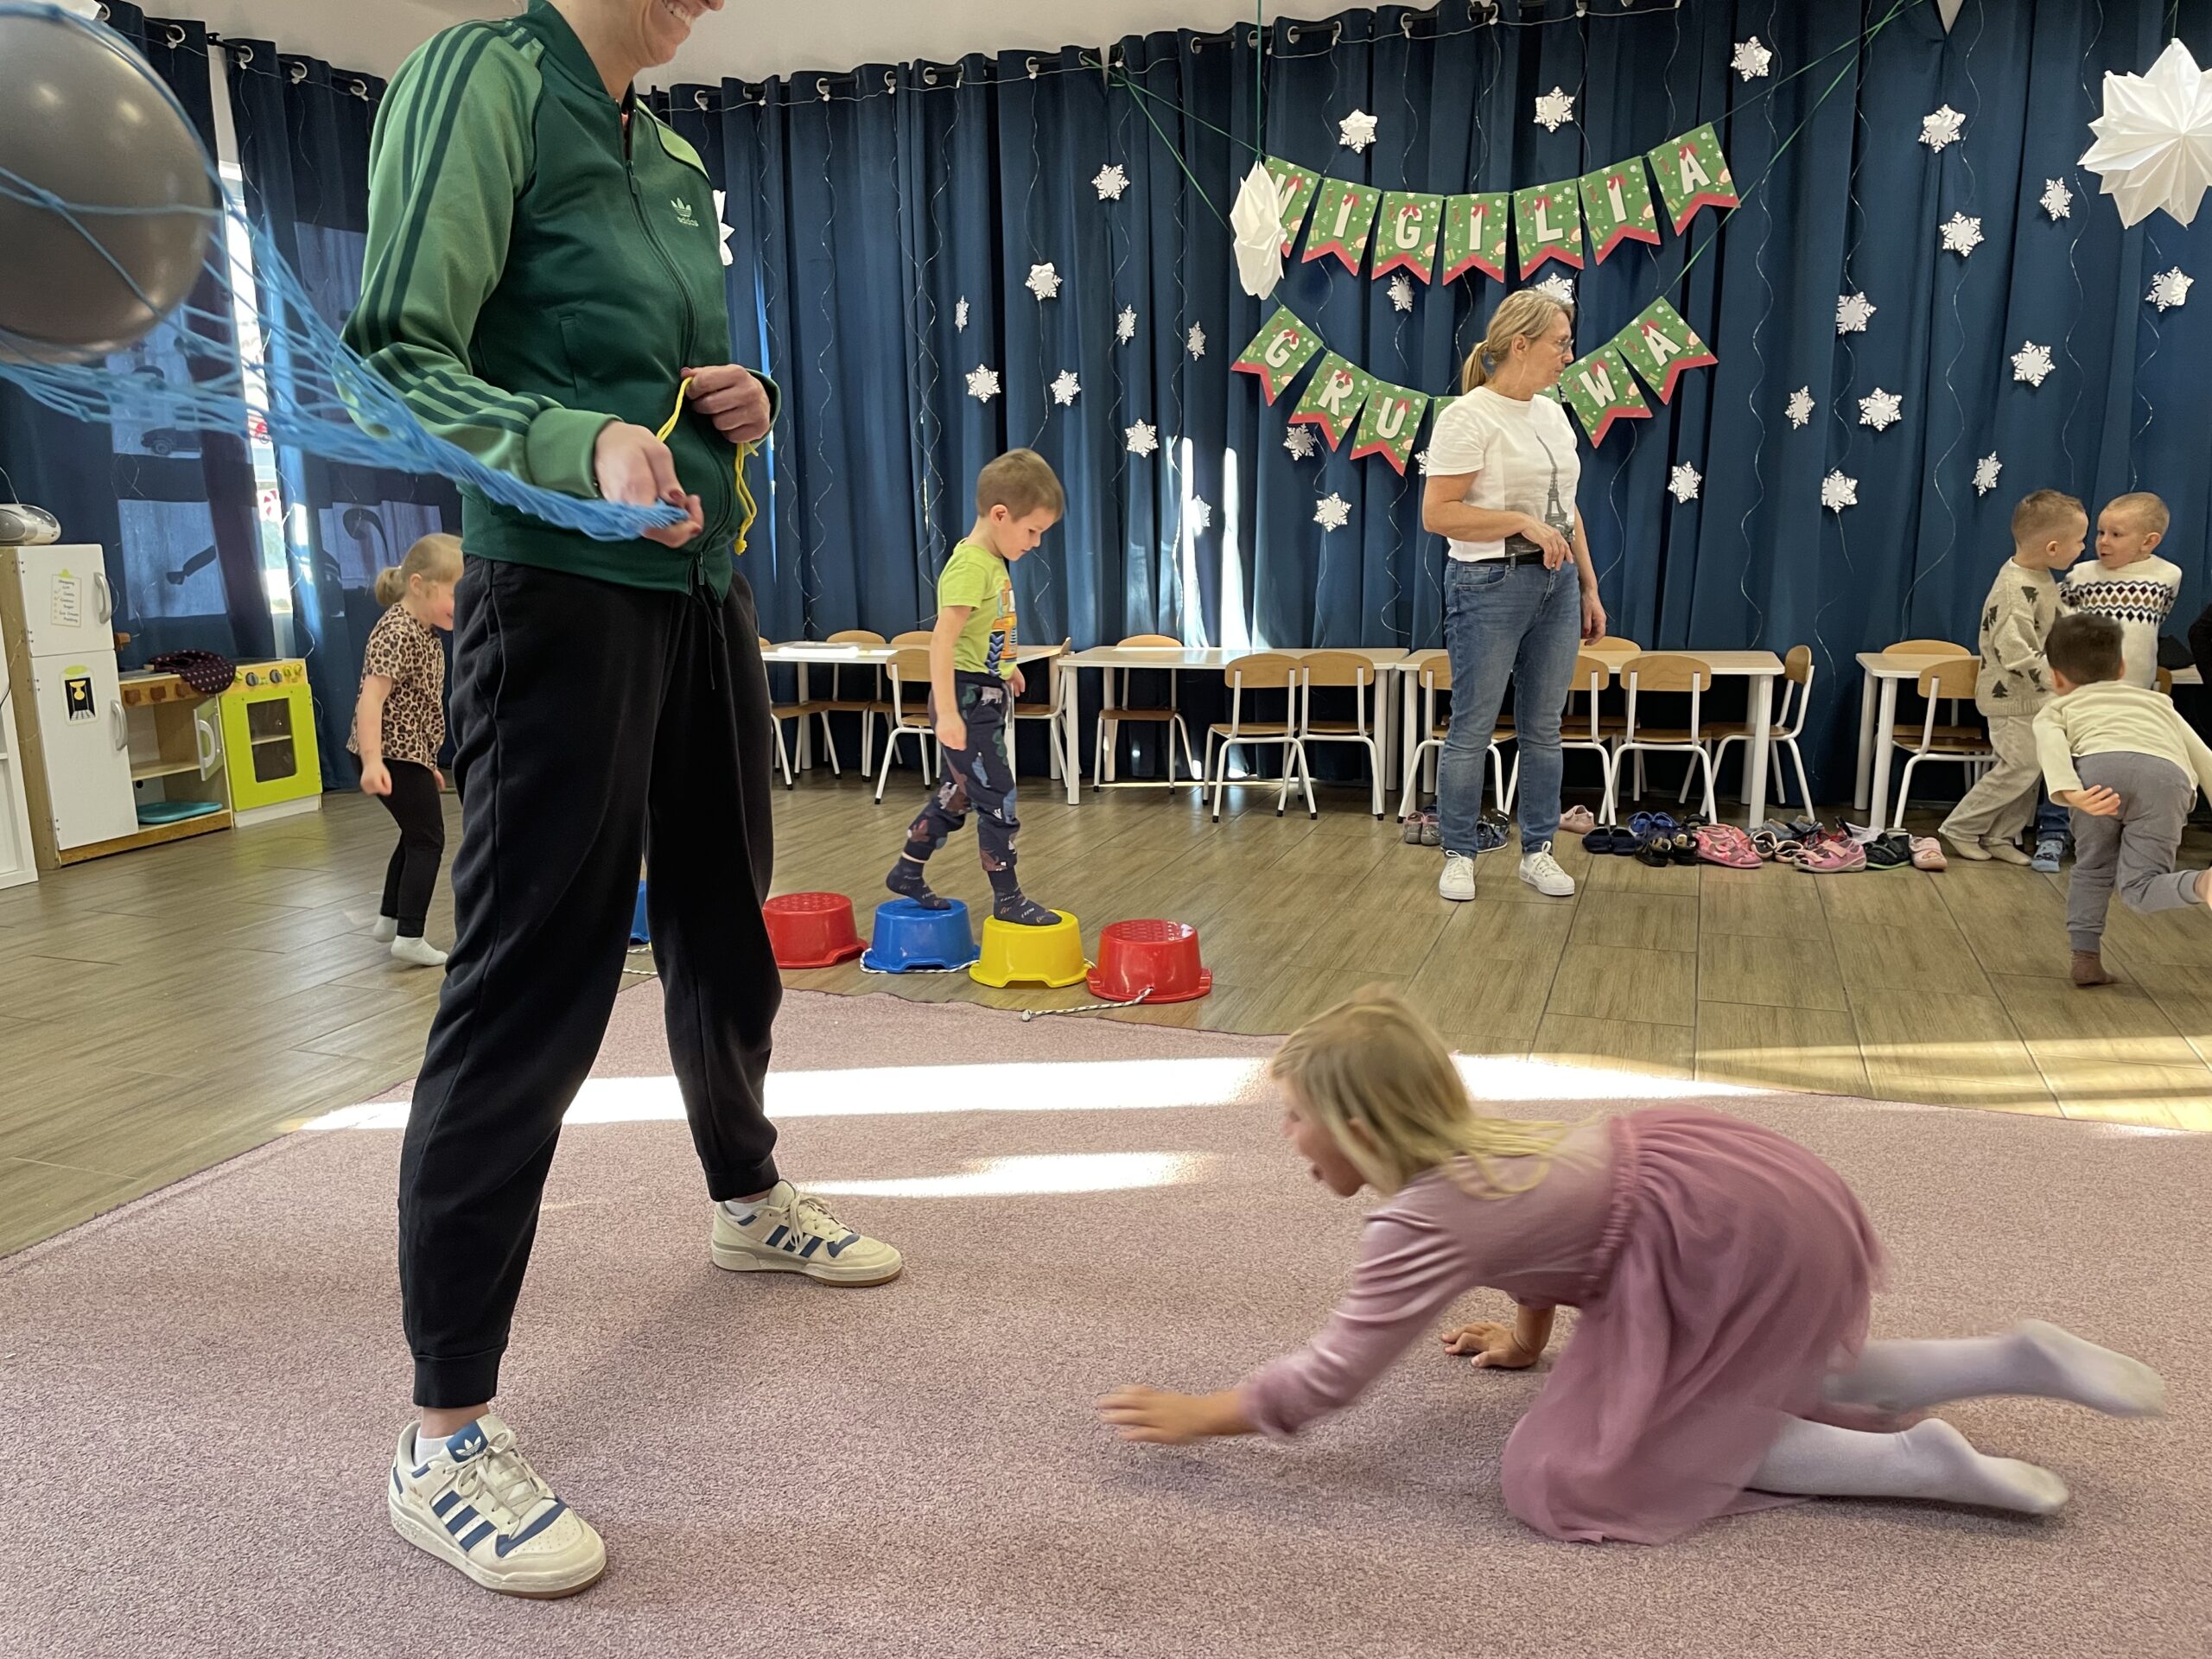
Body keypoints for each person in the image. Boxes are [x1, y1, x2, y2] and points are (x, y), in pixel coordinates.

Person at [346, 0, 899, 1599]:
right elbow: (394, 363)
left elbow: (642, 385)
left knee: (728, 925)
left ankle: (747, 1196)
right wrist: (567, 438)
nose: (712, 2)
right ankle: (444, 1434)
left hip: (697, 590)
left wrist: (734, 409)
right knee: (533, 984)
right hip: (551, 598)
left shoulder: (666, 147)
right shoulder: (484, 73)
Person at [1097, 990, 2165, 1544]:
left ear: (1362, 1129)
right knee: (1776, 1366)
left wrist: (1207, 1413)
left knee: (1567, 1471)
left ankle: (1915, 1467)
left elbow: (1334, 1373)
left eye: (1294, 1117)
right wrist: (1527, 1341)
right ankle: (2012, 1357)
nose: (1284, 1136)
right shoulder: (1479, 1148)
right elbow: (1533, 1248)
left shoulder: (1414, 1227)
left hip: (1708, 1238)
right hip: (1741, 1193)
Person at [1421, 292, 1607, 905]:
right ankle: (1458, 853)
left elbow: (1568, 510)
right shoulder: (1468, 416)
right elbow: (1438, 514)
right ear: (1520, 345)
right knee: (1472, 726)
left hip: (1556, 587)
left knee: (1544, 728)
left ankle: (1538, 851)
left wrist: (1588, 585)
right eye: (1561, 343)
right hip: (1488, 585)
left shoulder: (1552, 415)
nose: (1569, 356)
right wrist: (1520, 524)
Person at [884, 449, 1064, 925]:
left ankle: (907, 871)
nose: (1036, 543)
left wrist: (1007, 667)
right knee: (998, 794)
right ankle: (1008, 898)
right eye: (1032, 531)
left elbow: (985, 631)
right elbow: (942, 642)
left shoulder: (994, 561)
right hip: (964, 700)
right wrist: (947, 712)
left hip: (983, 690)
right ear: (1000, 515)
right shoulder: (970, 566)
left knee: (958, 794)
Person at [2036, 613, 2212, 988]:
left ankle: (2085, 959)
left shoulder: (2057, 707)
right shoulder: (2158, 702)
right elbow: (2204, 757)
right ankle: (2201, 884)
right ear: (2120, 668)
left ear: (2055, 677)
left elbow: (2051, 746)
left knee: (2093, 868)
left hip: (2098, 779)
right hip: (2166, 779)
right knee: (2141, 887)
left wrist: (2070, 793)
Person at [2032, 493, 2184, 872]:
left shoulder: (2168, 576)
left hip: (2132, 697)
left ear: (2149, 541)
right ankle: (2052, 832)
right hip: (2080, 695)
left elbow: (2151, 625)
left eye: (2116, 534)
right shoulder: (2081, 576)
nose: (2103, 542)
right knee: (2066, 759)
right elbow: (2059, 625)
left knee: (2117, 767)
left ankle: (2111, 842)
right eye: (2101, 532)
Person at [1937, 490, 2087, 864]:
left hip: (2036, 698)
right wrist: (2058, 678)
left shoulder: (2041, 578)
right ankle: (1961, 827)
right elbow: (2015, 651)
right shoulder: (2012, 589)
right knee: (2018, 768)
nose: (2084, 548)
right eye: (2079, 541)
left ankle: (2001, 836)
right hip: (2012, 700)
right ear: (2053, 548)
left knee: (2031, 771)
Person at [351, 532, 461, 969]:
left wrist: (426, 763)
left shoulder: (423, 631)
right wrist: (372, 760)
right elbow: (371, 699)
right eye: (454, 594)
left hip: (407, 754)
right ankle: (409, 935)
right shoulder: (397, 631)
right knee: (429, 839)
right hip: (390, 754)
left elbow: (416, 705)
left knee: (415, 833)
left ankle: (391, 916)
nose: (460, 605)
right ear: (419, 585)